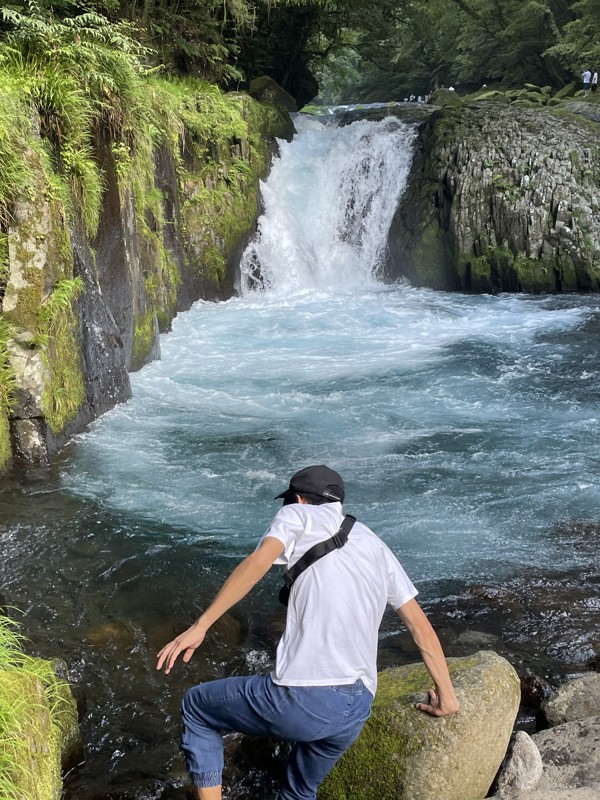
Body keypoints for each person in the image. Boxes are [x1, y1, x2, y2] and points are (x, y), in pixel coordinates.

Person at [157, 465, 460, 800]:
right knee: (299, 790)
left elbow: (258, 563)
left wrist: (201, 625)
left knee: (197, 707)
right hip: (356, 707)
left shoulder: (296, 516)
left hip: (306, 696)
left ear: (298, 499)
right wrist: (447, 696)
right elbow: (420, 627)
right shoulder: (375, 544)